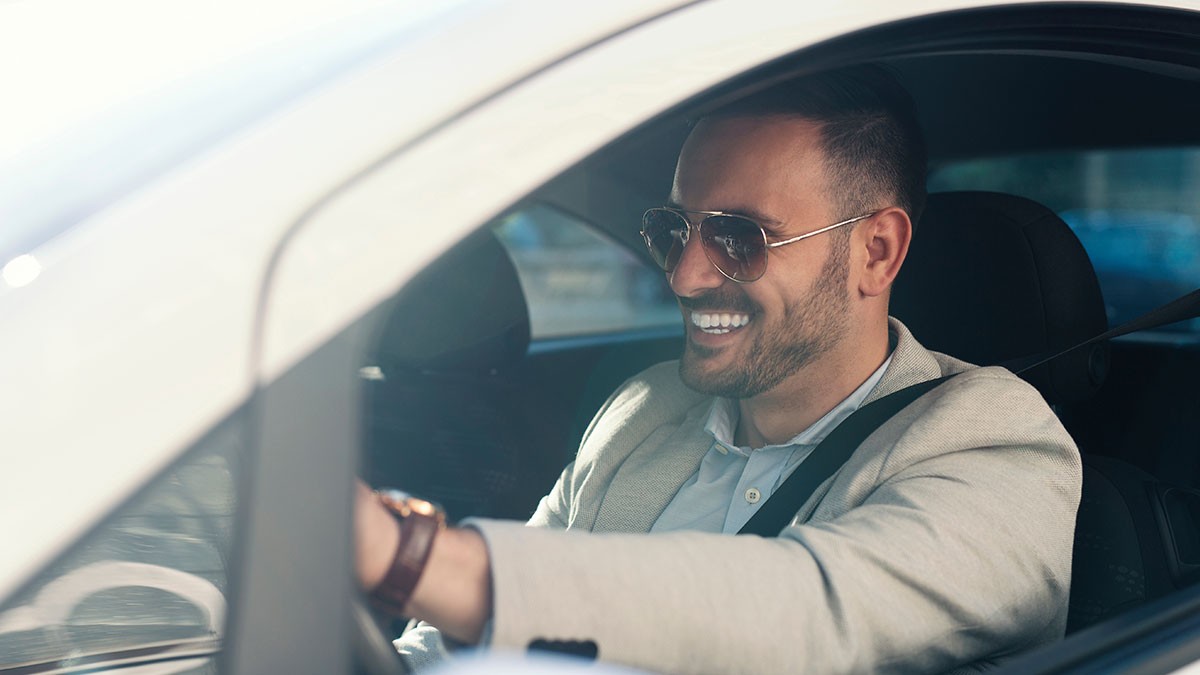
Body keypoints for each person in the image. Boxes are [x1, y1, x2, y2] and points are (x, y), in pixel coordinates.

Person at [354, 65, 1081, 674]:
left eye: (740, 235)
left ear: (877, 252)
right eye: (674, 230)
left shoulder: (997, 445)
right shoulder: (647, 409)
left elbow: (808, 611)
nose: (686, 275)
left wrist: (409, 558)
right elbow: (473, 639)